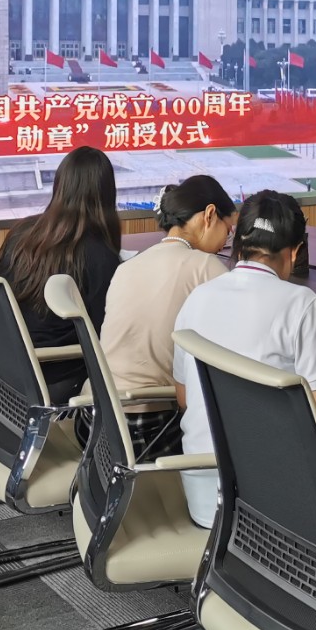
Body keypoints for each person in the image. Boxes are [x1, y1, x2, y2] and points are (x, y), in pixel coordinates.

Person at [172, 190, 316, 528]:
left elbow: (185, 397)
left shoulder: (198, 297)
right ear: (294, 252)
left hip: (204, 498)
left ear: (238, 244)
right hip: (272, 514)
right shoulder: (301, 303)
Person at [99, 176, 236, 454]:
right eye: (228, 228)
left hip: (98, 423)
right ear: (210, 215)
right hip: (149, 429)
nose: (227, 240)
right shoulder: (205, 266)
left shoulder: (128, 265)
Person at [0, 146, 122, 404]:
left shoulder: (21, 234)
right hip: (61, 374)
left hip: (11, 366)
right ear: (107, 193)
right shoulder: (99, 256)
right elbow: (105, 335)